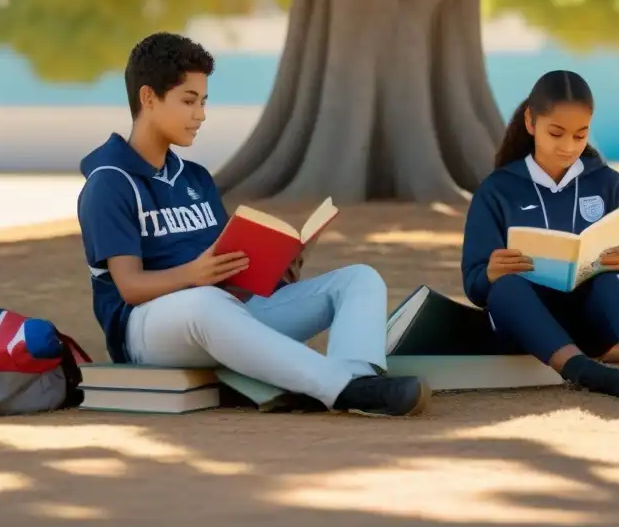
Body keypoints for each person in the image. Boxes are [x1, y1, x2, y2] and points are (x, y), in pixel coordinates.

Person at [76, 32, 429, 417]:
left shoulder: (195, 178)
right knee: (205, 302)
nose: (201, 114)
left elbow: (226, 271)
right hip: (147, 331)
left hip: (223, 314)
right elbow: (130, 287)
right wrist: (195, 274)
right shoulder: (110, 182)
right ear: (148, 98)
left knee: (359, 279)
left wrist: (274, 271)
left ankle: (358, 381)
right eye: (189, 101)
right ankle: (338, 387)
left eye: (204, 101)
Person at [460, 70, 619, 407]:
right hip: (526, 329)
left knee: (613, 281)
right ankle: (587, 372)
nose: (568, 147)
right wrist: (489, 273)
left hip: (592, 328)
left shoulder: (608, 184)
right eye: (556, 133)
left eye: (580, 135)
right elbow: (475, 287)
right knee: (506, 288)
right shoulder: (496, 191)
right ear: (531, 122)